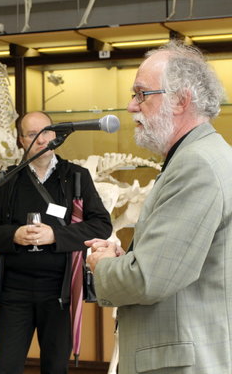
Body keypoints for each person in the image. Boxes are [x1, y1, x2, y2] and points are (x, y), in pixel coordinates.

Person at [86, 40, 232, 374]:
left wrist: (103, 264)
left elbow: (149, 280)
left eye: (141, 94)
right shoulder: (202, 156)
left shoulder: (197, 166)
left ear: (181, 100)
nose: (130, 106)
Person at [0, 111, 112, 374]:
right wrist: (14, 236)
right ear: (21, 140)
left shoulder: (76, 176)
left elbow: (101, 225)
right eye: (32, 134)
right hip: (14, 292)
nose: (41, 140)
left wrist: (56, 236)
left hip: (59, 291)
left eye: (47, 132)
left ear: (55, 135)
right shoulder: (8, 179)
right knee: (5, 367)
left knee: (55, 367)